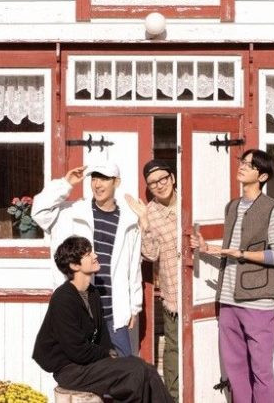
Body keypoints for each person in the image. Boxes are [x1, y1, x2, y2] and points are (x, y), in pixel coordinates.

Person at [190, 148, 274, 403]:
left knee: (261, 371)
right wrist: (206, 248)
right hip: (228, 299)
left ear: (263, 176)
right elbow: (230, 250)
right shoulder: (232, 207)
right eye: (242, 161)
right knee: (235, 372)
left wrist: (242, 254)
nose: (242, 166)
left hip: (259, 302)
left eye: (249, 164)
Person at [33, 235, 174, 403]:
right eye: (88, 254)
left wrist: (110, 354)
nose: (95, 256)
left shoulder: (93, 294)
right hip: (70, 370)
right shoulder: (63, 298)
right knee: (135, 372)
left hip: (87, 364)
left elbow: (102, 338)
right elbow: (76, 349)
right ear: (74, 265)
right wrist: (108, 355)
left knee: (147, 369)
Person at [32, 162, 142, 357]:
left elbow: (134, 267)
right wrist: (66, 183)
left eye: (104, 179)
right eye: (94, 178)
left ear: (116, 182)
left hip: (114, 313)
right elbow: (39, 212)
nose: (97, 184)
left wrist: (134, 307)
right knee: (83, 368)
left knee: (125, 368)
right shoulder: (71, 213)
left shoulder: (129, 221)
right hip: (81, 311)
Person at [125, 159, 179, 402]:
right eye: (152, 183)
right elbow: (150, 254)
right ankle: (174, 397)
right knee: (173, 348)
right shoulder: (150, 212)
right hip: (172, 293)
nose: (159, 185)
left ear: (172, 178)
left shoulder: (191, 204)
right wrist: (144, 221)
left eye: (163, 179)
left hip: (201, 290)